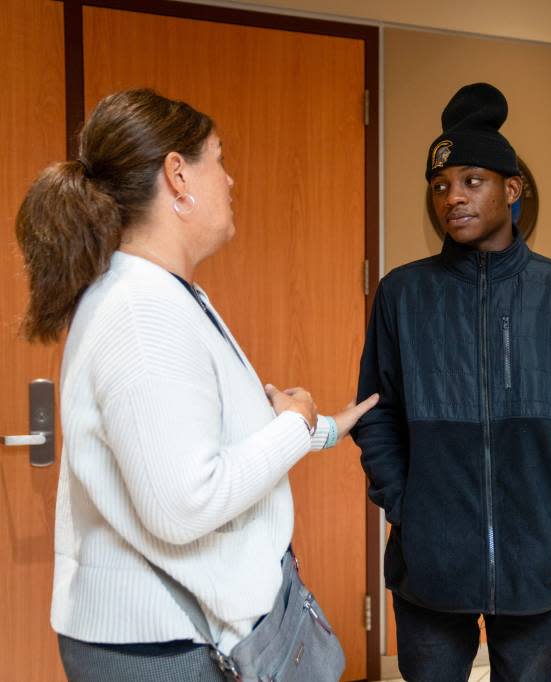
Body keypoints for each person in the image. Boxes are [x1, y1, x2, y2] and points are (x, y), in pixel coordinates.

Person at [14, 88, 378, 681]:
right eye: (220, 159)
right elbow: (184, 504)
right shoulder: (141, 311)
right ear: (178, 175)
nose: (231, 181)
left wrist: (321, 427)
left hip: (177, 633)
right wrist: (293, 424)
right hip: (163, 649)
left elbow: (191, 441)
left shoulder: (169, 293)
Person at [353, 82, 551, 682]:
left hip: (536, 557)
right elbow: (377, 411)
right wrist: (404, 502)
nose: (454, 198)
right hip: (431, 560)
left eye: (473, 181)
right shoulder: (403, 293)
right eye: (442, 186)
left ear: (511, 189)